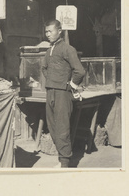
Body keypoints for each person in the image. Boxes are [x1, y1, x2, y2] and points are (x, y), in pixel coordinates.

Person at [41, 19, 85, 168]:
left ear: (59, 31)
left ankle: (65, 164)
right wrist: (53, 81)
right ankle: (62, 159)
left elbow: (80, 71)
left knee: (62, 128)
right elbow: (44, 68)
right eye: (46, 31)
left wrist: (70, 85)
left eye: (50, 31)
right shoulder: (49, 50)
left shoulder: (68, 49)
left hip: (62, 94)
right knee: (52, 126)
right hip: (50, 92)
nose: (47, 34)